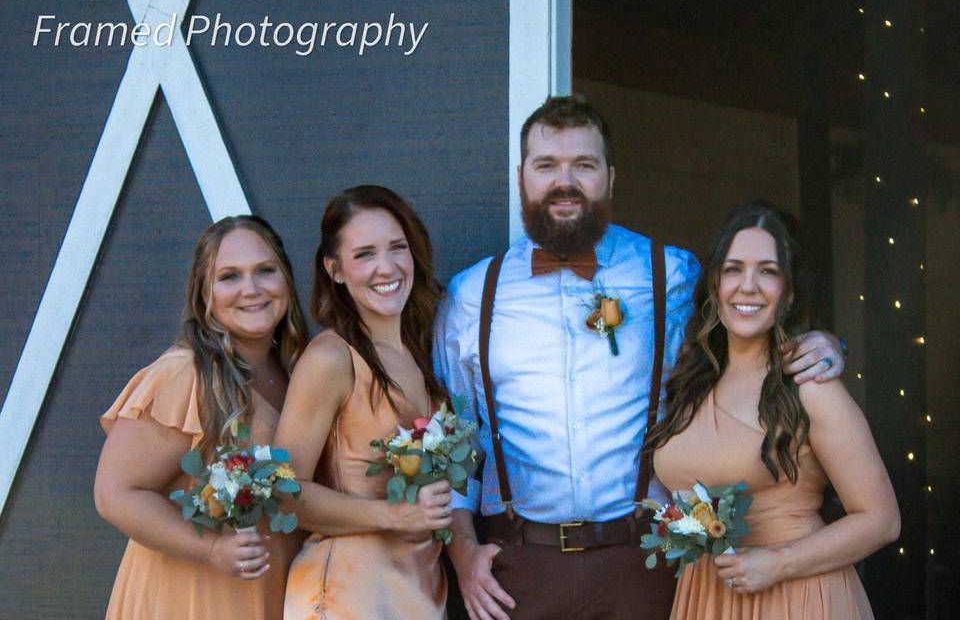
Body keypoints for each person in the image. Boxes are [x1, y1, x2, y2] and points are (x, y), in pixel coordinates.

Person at [434, 95, 848, 620]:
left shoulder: (671, 275)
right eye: (547, 166)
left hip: (648, 563)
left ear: (610, 177)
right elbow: (456, 446)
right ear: (522, 177)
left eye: (583, 165)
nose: (565, 182)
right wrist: (463, 553)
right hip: (518, 569)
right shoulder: (473, 295)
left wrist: (828, 343)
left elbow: (751, 318)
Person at [644, 201, 899, 619]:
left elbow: (882, 520)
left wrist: (779, 562)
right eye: (733, 269)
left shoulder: (810, 385)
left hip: (796, 596)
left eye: (768, 271)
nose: (748, 286)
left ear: (790, 290)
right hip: (708, 596)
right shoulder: (690, 380)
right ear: (714, 284)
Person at [94, 216, 310, 620]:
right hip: (192, 597)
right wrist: (211, 549)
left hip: (273, 590)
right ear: (204, 293)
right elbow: (115, 493)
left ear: (286, 279)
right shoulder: (185, 374)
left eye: (265, 271)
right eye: (230, 277)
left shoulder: (298, 371)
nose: (252, 289)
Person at [277, 185, 450, 619]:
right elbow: (284, 493)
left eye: (397, 247)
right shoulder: (331, 359)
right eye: (365, 254)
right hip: (349, 593)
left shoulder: (420, 351)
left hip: (418, 586)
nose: (386, 267)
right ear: (334, 269)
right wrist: (395, 515)